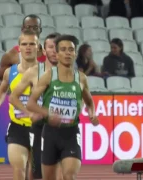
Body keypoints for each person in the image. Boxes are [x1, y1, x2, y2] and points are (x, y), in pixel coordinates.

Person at [26, 35, 100, 180]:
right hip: (50, 134)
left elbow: (89, 102)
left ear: (75, 54)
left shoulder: (81, 78)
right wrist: (48, 114)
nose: (67, 53)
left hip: (71, 134)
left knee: (69, 175)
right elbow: (31, 103)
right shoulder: (48, 76)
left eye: (71, 50)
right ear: (57, 54)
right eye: (63, 50)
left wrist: (92, 114)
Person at [9, 32, 64, 180]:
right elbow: (13, 97)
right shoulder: (35, 73)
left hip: (57, 129)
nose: (53, 51)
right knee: (35, 173)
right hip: (37, 128)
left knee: (59, 173)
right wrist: (31, 112)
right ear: (44, 50)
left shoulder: (70, 74)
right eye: (50, 47)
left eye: (56, 47)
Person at [0, 30, 40, 180]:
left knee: (35, 174)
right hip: (18, 127)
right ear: (19, 47)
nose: (28, 47)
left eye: (32, 44)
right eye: (24, 44)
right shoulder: (10, 72)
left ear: (38, 47)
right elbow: (2, 89)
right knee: (19, 169)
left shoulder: (46, 72)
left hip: (40, 129)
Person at [0, 14, 45, 90]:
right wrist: (15, 89)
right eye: (28, 27)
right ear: (22, 29)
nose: (32, 30)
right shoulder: (12, 54)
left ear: (40, 30)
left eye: (35, 27)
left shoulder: (49, 54)